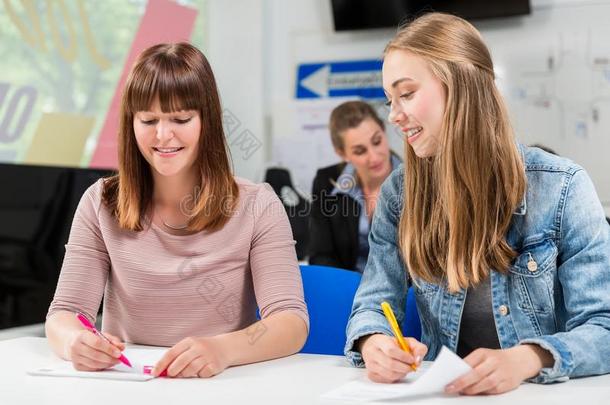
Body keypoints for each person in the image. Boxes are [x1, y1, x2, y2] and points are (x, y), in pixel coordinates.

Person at [345, 12, 610, 395]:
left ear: (461, 86)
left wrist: (528, 358)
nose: (394, 115)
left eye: (406, 94)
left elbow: (604, 326)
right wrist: (374, 344)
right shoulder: (399, 195)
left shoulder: (563, 187)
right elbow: (372, 305)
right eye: (389, 99)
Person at [45, 42, 309, 378]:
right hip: (128, 386)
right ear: (131, 123)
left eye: (181, 118)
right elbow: (65, 312)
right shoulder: (100, 202)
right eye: (148, 119)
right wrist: (75, 341)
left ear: (207, 121)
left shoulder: (258, 205)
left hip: (219, 385)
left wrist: (222, 349)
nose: (163, 135)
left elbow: (290, 322)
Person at [309, 101, 401, 272]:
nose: (374, 157)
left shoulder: (417, 182)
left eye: (377, 141)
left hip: (403, 292)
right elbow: (321, 255)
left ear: (384, 130)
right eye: (360, 151)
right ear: (342, 153)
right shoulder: (326, 182)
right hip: (347, 289)